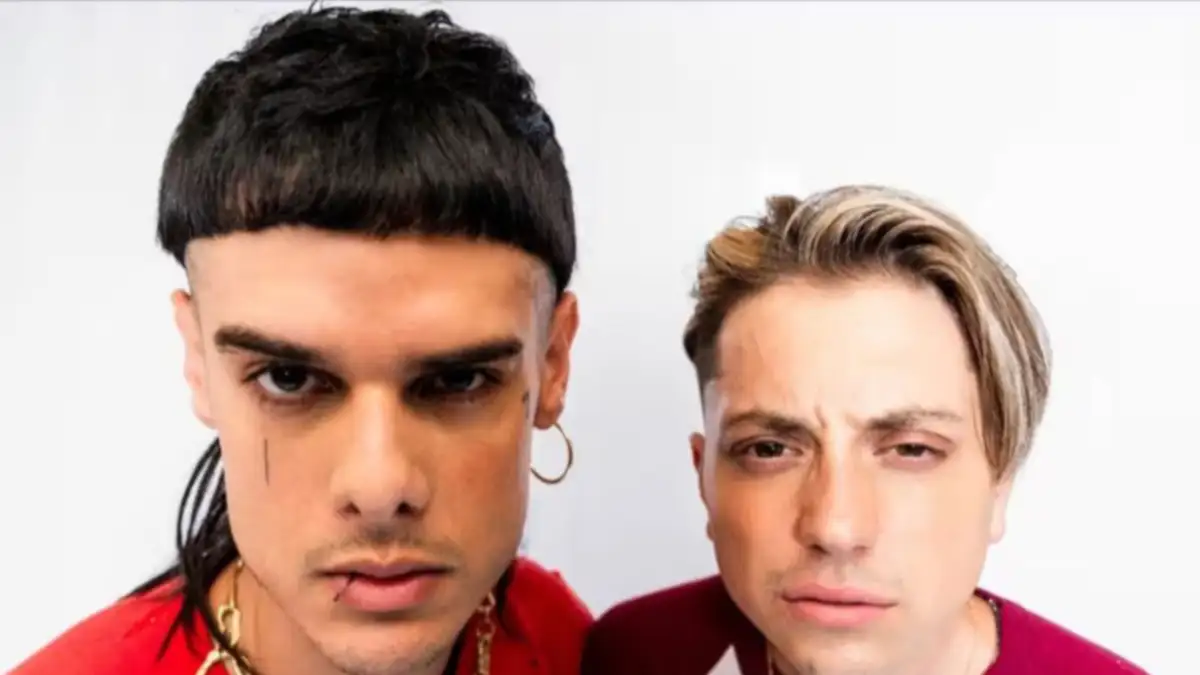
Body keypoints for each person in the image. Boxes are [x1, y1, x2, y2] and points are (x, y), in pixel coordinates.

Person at [14, 6, 590, 675]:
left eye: (458, 380)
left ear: (553, 363)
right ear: (198, 361)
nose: (380, 488)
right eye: (288, 378)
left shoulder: (565, 642)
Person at [582, 185, 1148, 674]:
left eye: (911, 450)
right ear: (703, 478)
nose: (835, 527)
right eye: (770, 449)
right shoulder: (634, 654)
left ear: (1001, 481)